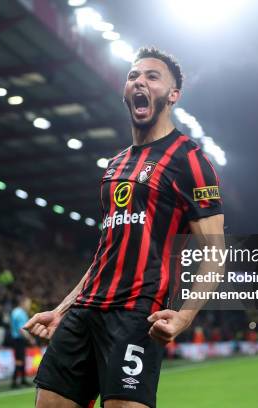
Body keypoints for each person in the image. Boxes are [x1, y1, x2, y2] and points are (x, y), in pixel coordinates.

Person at [25, 46, 225, 408]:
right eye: (133, 75)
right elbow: (108, 251)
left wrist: (183, 316)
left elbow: (215, 253)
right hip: (84, 312)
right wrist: (62, 310)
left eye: (152, 76)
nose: (140, 81)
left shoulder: (189, 159)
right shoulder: (115, 164)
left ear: (173, 94)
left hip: (135, 316)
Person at [10, 295, 35, 388]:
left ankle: (22, 380)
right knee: (19, 360)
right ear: (23, 302)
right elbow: (21, 329)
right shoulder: (20, 313)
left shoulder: (16, 312)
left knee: (21, 359)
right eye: (28, 303)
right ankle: (14, 381)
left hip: (18, 339)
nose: (29, 305)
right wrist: (30, 338)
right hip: (18, 339)